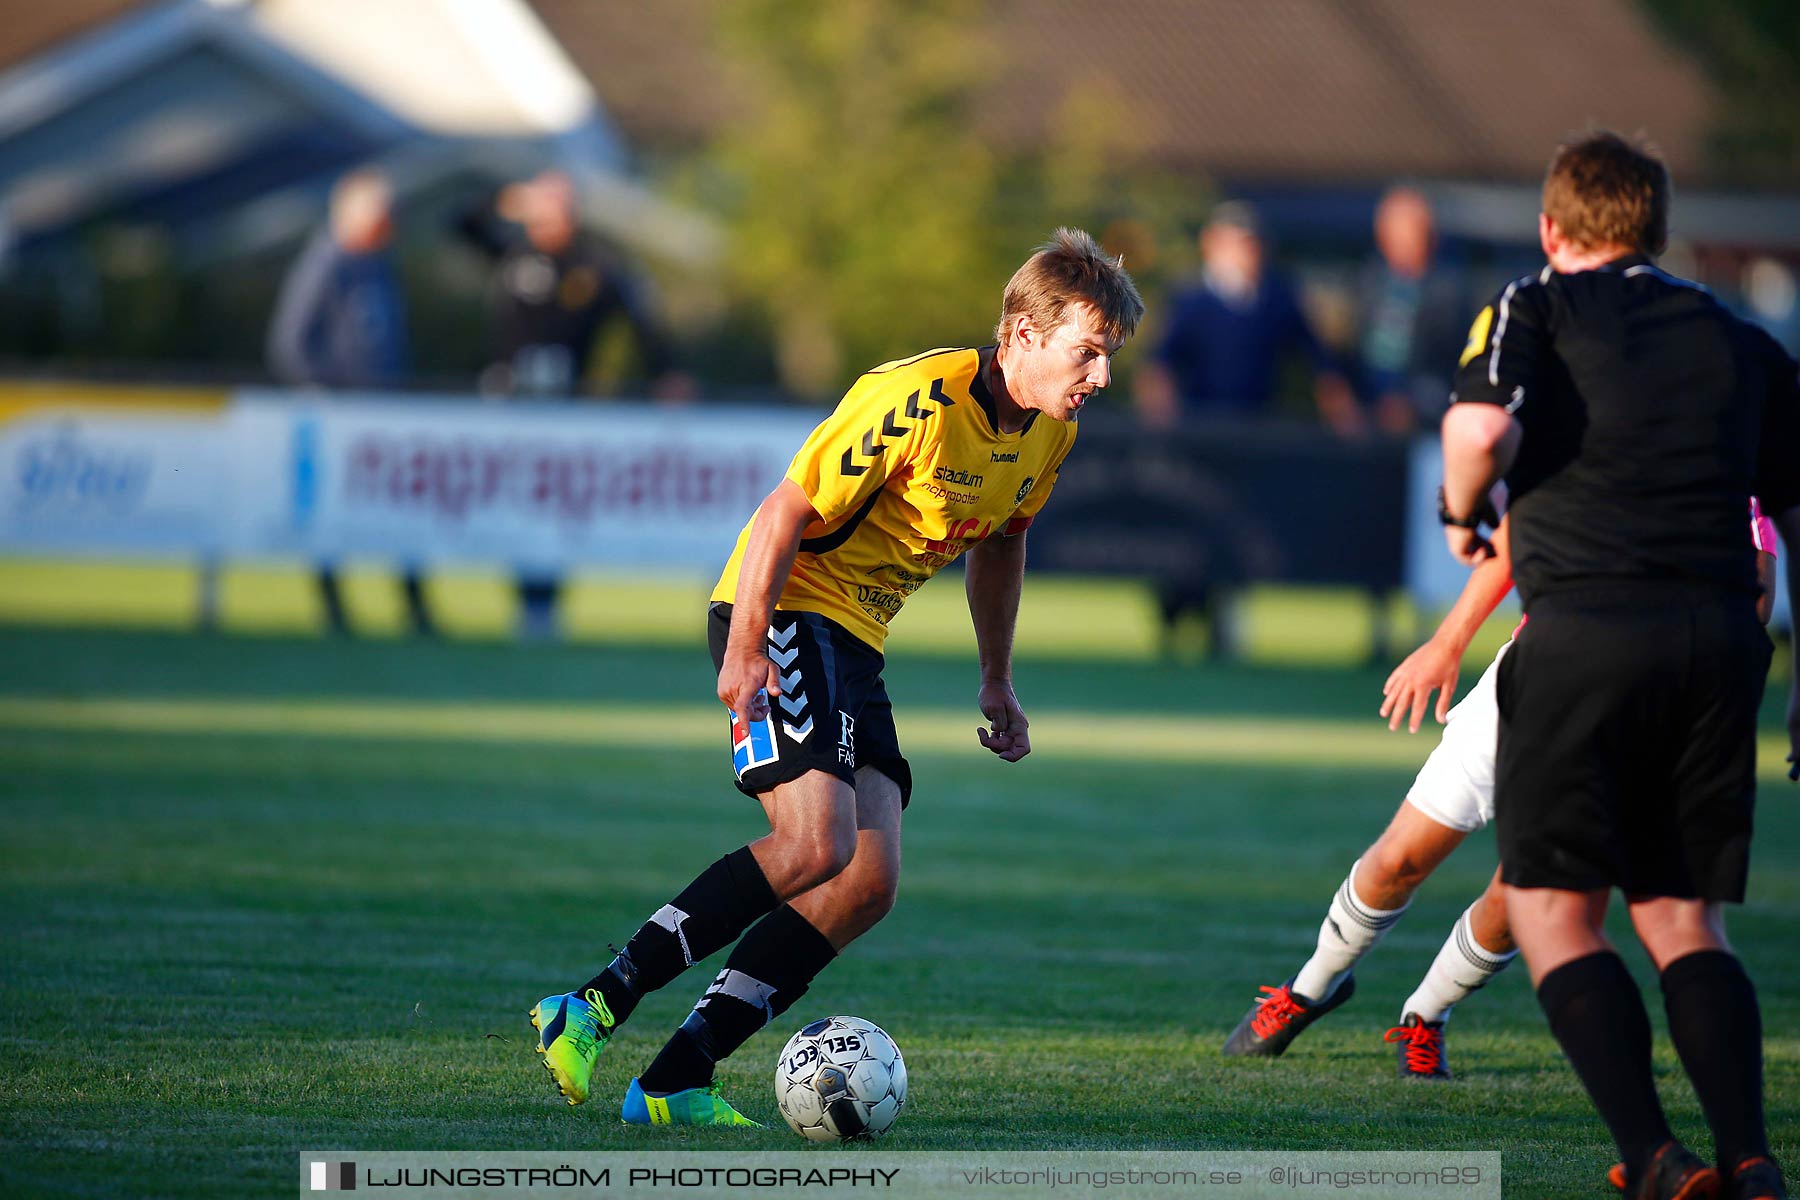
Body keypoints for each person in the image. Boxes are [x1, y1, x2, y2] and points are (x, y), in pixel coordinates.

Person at [527, 229, 1144, 1126]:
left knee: (867, 880)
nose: (1101, 376)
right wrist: (745, 648)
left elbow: (1004, 543)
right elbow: (784, 513)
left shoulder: (1050, 436)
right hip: (780, 609)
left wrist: (997, 678)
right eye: (1088, 352)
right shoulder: (918, 399)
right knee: (817, 845)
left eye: (1108, 356)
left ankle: (675, 1079)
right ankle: (588, 1006)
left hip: (855, 641)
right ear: (1020, 334)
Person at [1439, 131, 1799, 1200]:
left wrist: (1464, 513)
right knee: (1684, 917)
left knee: (1553, 910)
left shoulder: (1532, 306)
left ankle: (1653, 1155)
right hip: (1719, 644)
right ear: (1657, 232)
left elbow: (1473, 432)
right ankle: (1754, 1155)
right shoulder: (1743, 338)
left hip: (1587, 631)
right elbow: (1790, 510)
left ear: (1554, 230)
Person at [1222, 507, 1780, 1080]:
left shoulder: (1729, 477)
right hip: (1533, 684)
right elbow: (1515, 533)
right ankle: (1312, 988)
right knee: (1400, 858)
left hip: (1636, 720)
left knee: (1519, 897)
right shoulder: (1601, 437)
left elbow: (1755, 600)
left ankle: (1426, 1015)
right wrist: (1446, 642)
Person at [458, 169, 692, 637]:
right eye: (547, 205)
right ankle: (526, 597)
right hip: (511, 402)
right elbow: (460, 222)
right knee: (516, 502)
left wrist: (665, 374)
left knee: (554, 504)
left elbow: (641, 320)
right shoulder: (511, 254)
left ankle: (542, 604)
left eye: (564, 205)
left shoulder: (594, 265)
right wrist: (510, 197)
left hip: (566, 407)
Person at [266, 169, 432, 637]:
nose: (391, 225)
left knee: (400, 516)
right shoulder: (326, 264)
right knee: (332, 517)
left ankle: (415, 610)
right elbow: (291, 344)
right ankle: (335, 610)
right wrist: (329, 396)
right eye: (382, 215)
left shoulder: (377, 264)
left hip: (382, 419)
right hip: (341, 422)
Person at [1134, 201, 1360, 436]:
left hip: (1258, 432)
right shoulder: (1189, 301)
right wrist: (1163, 425)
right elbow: (1158, 367)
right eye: (1238, 244)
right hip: (1200, 431)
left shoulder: (1278, 299)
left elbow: (1321, 364)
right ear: (1211, 244)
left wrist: (1347, 421)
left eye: (1252, 245)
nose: (1246, 254)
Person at [1355, 187, 1471, 435]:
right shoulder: (1370, 280)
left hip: (1427, 414)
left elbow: (1451, 362)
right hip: (1370, 409)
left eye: (1411, 232)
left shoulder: (1449, 291)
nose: (1403, 242)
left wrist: (1411, 402)